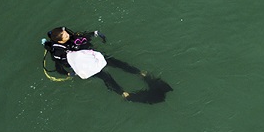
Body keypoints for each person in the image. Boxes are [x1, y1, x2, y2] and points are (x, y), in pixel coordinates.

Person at [43, 26, 172, 104]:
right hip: (84, 65)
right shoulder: (58, 52)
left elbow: (80, 37)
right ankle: (123, 93)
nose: (68, 35)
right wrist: (67, 73)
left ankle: (139, 72)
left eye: (67, 33)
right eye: (65, 36)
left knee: (115, 61)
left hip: (91, 56)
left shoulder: (70, 37)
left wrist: (95, 33)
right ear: (60, 40)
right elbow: (58, 66)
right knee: (105, 76)